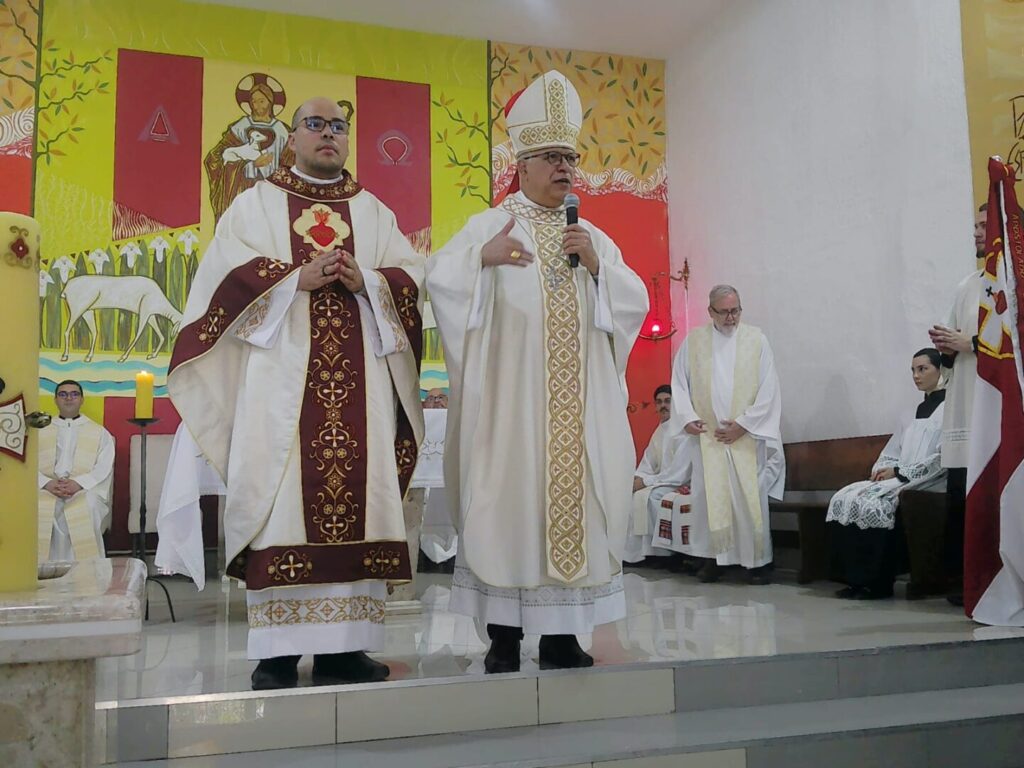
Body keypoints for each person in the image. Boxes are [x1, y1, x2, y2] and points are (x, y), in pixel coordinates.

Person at [165, 96, 424, 690]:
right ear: (293, 135)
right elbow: (222, 278)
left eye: (338, 126)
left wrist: (370, 281)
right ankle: (277, 652)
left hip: (362, 391)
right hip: (279, 389)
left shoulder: (374, 211)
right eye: (315, 124)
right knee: (280, 503)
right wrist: (290, 279)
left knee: (361, 497)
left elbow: (410, 276)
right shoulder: (255, 205)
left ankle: (345, 649)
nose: (328, 134)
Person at [426, 70, 649, 673]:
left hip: (577, 415)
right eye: (551, 157)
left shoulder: (591, 236)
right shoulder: (490, 226)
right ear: (522, 166)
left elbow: (632, 304)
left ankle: (561, 638)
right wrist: (480, 261)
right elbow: (438, 281)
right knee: (508, 511)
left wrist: (599, 268)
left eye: (569, 158)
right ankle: (503, 636)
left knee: (577, 510)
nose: (564, 168)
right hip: (511, 410)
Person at [668, 285, 784, 585]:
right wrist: (688, 418)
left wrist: (743, 425)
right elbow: (678, 383)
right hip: (709, 438)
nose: (731, 317)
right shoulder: (694, 342)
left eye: (736, 310)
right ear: (710, 311)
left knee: (749, 499)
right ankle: (713, 559)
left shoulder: (756, 340)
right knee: (709, 499)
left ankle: (757, 562)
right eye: (724, 312)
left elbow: (769, 388)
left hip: (745, 437)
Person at [826, 349, 947, 599]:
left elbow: (942, 457)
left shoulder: (950, 411)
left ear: (941, 370)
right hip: (901, 478)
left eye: (922, 369)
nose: (916, 376)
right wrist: (884, 471)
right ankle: (855, 580)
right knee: (846, 497)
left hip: (930, 482)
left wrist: (900, 472)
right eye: (913, 370)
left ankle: (879, 584)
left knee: (877, 503)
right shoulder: (909, 414)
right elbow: (892, 451)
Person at [928, 205, 986, 606]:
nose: (977, 233)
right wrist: (947, 348)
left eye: (984, 225)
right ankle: (965, 579)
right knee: (962, 496)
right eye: (975, 226)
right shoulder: (968, 284)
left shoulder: (1016, 283)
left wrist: (972, 344)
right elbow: (953, 348)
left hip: (999, 409)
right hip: (966, 405)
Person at [37, 379, 114, 562]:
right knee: (37, 507)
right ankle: (42, 569)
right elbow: (28, 464)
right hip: (47, 488)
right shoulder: (40, 430)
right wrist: (46, 483)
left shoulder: (99, 432)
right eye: (63, 394)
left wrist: (79, 483)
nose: (69, 398)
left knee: (89, 505)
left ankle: (87, 569)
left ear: (82, 399)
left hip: (84, 490)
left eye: (74, 394)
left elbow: (104, 467)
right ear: (55, 399)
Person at [624, 384, 683, 565]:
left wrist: (647, 481)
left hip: (680, 481)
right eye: (659, 402)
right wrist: (637, 478)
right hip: (662, 481)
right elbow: (648, 462)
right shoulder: (659, 430)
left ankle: (664, 554)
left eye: (667, 401)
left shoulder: (683, 430)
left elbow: (678, 471)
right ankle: (638, 553)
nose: (663, 406)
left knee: (652, 497)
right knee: (633, 495)